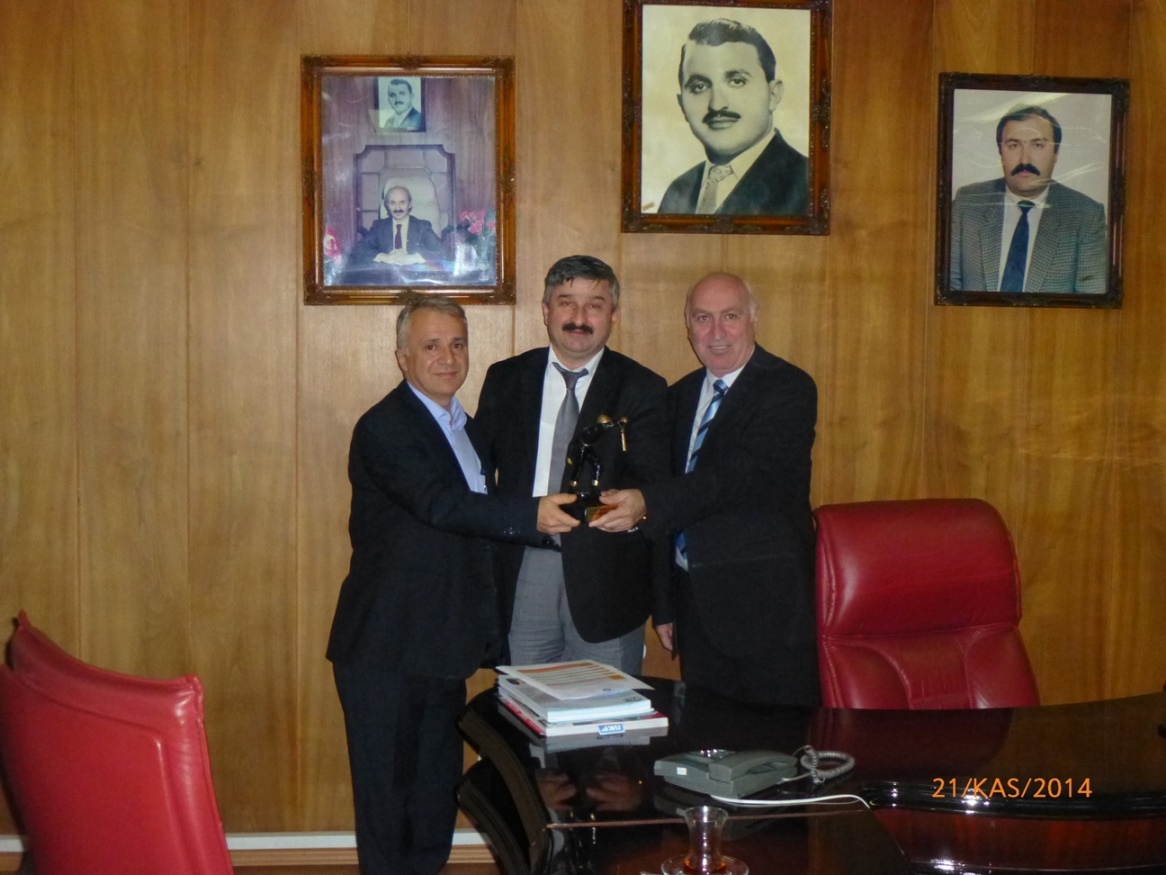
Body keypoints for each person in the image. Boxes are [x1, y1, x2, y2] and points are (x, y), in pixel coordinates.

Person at [326, 296, 578, 874]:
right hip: (386, 646)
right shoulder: (386, 427)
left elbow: (478, 523)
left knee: (435, 788)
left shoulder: (465, 427)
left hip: (444, 642)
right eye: (431, 346)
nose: (448, 357)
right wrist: (532, 516)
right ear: (402, 356)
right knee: (388, 798)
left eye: (458, 344)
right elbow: (441, 506)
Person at [591, 273, 819, 706]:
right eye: (702, 318)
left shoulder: (788, 388)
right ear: (688, 326)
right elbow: (666, 500)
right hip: (694, 608)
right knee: (707, 738)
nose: (716, 332)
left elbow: (738, 477)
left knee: (778, 741)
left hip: (767, 609)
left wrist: (646, 502)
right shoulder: (677, 396)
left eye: (730, 316)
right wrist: (665, 604)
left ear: (753, 319)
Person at [475, 255, 670, 676]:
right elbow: (479, 477)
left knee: (606, 707)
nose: (579, 318)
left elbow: (653, 486)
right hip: (525, 570)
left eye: (594, 305)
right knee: (527, 704)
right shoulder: (506, 379)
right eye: (566, 302)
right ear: (546, 310)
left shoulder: (643, 388)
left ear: (613, 315)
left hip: (609, 578)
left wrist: (612, 509)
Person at [949, 105, 1107, 294]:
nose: (1025, 160)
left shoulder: (1086, 215)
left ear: (1056, 153)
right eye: (1014, 145)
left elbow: (1091, 300)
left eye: (1037, 145)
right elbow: (946, 290)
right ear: (1000, 152)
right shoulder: (967, 203)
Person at [659, 18, 808, 217]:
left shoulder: (810, 185)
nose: (717, 105)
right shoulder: (677, 192)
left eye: (737, 81)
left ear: (773, 94)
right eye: (699, 86)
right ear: (682, 104)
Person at [348, 184, 445, 270]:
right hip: (387, 277)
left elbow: (443, 252)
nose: (398, 208)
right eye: (393, 203)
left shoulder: (422, 227)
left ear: (410, 204)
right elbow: (358, 251)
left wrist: (412, 258)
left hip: (415, 276)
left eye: (402, 202)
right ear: (387, 205)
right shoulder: (379, 227)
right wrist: (384, 257)